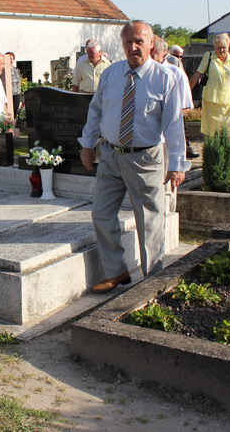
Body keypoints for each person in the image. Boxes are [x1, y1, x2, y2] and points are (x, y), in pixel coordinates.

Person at [80, 21, 188, 292]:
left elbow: (174, 125)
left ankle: (152, 279)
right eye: (128, 42)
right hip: (110, 154)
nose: (133, 47)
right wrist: (87, 144)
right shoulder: (111, 73)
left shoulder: (165, 78)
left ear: (151, 43)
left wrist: (177, 164)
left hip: (145, 159)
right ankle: (116, 272)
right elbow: (96, 111)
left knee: (149, 220)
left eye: (139, 41)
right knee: (101, 214)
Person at [189, 33, 230, 162]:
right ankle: (211, 156)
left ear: (228, 46)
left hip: (227, 101)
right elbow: (198, 74)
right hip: (211, 100)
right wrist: (187, 92)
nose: (221, 50)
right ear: (214, 47)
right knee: (210, 130)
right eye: (218, 47)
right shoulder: (209, 57)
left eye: (223, 47)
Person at [154, 37, 198, 159]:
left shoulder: (176, 73)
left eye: (153, 49)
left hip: (167, 137)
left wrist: (163, 122)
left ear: (163, 52)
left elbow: (186, 107)